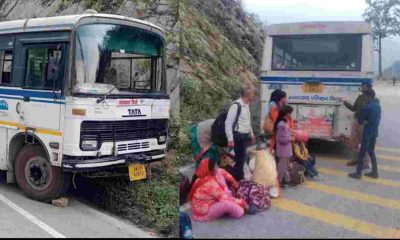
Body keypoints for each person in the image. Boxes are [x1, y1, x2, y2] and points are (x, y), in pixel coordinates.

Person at [189, 158, 247, 222]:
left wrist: (234, 182)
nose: (217, 167)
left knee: (219, 173)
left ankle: (235, 203)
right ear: (211, 170)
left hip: (204, 204)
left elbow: (223, 172)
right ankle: (241, 211)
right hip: (205, 212)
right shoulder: (210, 184)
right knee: (228, 205)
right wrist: (244, 204)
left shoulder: (201, 178)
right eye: (216, 166)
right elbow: (226, 199)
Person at [225, 85, 256, 181]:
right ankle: (237, 179)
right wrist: (230, 138)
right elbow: (228, 123)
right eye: (252, 94)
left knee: (242, 158)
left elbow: (247, 121)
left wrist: (251, 133)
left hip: (245, 136)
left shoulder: (246, 105)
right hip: (238, 136)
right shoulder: (236, 105)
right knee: (240, 159)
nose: (254, 96)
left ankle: (237, 179)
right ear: (247, 94)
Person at [349, 89, 381, 179]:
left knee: (362, 153)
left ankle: (358, 173)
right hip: (374, 133)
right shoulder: (378, 106)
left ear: (368, 96)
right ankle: (375, 172)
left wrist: (363, 120)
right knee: (371, 152)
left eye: (365, 96)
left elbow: (360, 121)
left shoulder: (367, 107)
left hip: (367, 133)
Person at [343, 82, 374, 168]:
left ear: (368, 87)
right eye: (362, 86)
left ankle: (366, 162)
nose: (362, 88)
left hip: (364, 122)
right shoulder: (360, 97)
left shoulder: (371, 98)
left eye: (363, 86)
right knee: (354, 141)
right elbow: (353, 108)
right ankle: (355, 159)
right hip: (356, 121)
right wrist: (345, 102)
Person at [274, 105, 296, 188]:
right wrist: (291, 138)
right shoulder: (281, 125)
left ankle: (287, 181)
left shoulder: (285, 123)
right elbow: (280, 139)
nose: (291, 115)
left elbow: (285, 135)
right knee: (282, 167)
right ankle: (278, 182)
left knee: (285, 166)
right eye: (290, 113)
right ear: (286, 113)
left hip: (286, 149)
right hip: (283, 150)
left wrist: (291, 134)